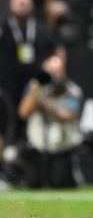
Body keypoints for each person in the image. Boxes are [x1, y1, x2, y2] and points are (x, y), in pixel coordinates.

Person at [17, 49, 83, 188]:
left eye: (56, 71)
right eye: (49, 71)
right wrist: (38, 88)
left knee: (60, 183)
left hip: (62, 146)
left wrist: (49, 105)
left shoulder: (72, 90)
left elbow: (68, 115)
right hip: (38, 144)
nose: (53, 75)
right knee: (33, 183)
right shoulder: (35, 87)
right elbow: (23, 112)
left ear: (63, 72)